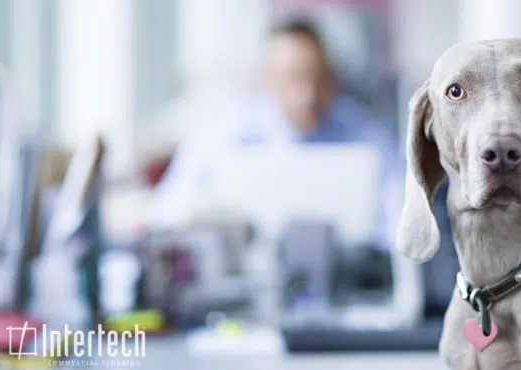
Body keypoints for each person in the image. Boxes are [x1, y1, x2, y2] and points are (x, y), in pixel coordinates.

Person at [150, 19, 402, 253]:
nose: (307, 94)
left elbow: (400, 219)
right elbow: (168, 209)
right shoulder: (226, 133)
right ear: (266, 79)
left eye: (316, 78)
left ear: (332, 77)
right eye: (293, 78)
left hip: (353, 282)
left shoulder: (367, 135)